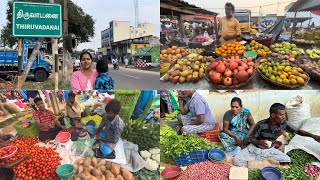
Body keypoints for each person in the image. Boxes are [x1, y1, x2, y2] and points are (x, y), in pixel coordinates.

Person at [233, 103, 320, 167]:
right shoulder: (261, 125)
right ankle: (259, 160)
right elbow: (251, 139)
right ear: (273, 115)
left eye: (284, 115)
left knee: (287, 159)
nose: (283, 117)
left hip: (270, 150)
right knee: (236, 160)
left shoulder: (284, 124)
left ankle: (260, 160)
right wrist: (260, 142)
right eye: (281, 115)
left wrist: (313, 136)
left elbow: (298, 131)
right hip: (254, 149)